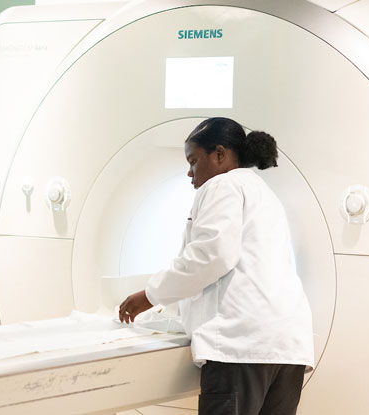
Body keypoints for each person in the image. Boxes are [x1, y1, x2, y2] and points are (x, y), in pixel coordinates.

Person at [118, 117, 314, 415]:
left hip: (240, 346)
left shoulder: (221, 185)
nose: (189, 172)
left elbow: (212, 255)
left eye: (194, 161)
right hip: (287, 344)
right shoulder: (263, 192)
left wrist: (149, 295)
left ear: (220, 155)